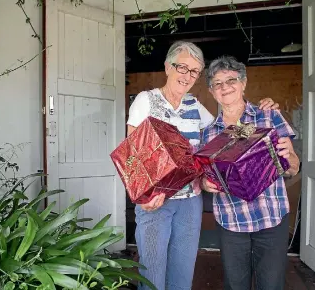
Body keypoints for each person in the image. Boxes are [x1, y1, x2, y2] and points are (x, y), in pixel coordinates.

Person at [127, 41, 279, 290]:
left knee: (182, 274)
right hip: (156, 202)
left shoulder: (194, 106)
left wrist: (263, 110)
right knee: (152, 274)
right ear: (168, 67)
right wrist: (142, 195)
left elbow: (230, 130)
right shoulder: (146, 101)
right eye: (182, 67)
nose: (187, 76)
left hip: (190, 202)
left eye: (194, 71)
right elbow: (132, 154)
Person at [200, 55, 300, 290]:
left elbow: (292, 168)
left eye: (231, 80)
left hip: (271, 217)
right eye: (217, 83)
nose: (225, 87)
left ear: (243, 83)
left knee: (271, 285)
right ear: (212, 91)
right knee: (235, 285)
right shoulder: (208, 133)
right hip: (231, 220)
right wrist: (205, 183)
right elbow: (205, 176)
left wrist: (291, 159)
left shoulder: (268, 116)